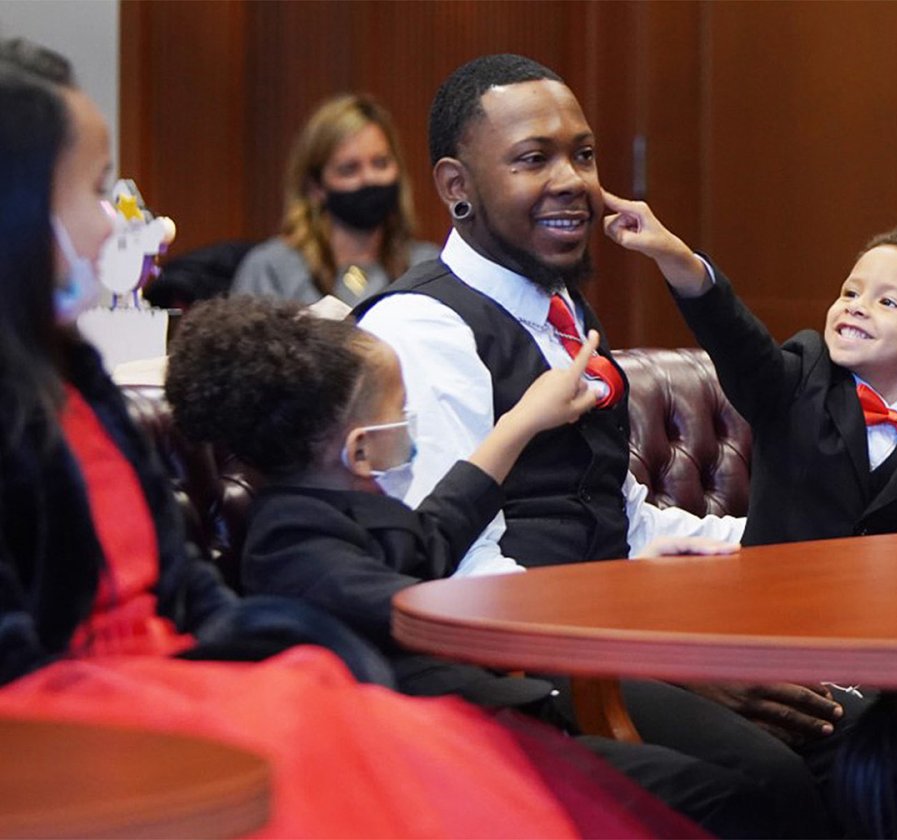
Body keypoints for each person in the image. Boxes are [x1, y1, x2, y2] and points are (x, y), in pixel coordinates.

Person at [0, 39, 702, 839]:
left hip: (173, 674)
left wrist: (272, 657)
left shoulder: (76, 382)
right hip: (74, 720)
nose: (115, 223)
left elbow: (185, 587)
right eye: (96, 189)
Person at [355, 53, 863, 836]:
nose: (573, 182)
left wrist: (775, 547)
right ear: (457, 186)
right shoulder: (421, 328)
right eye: (533, 159)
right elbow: (457, 568)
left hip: (606, 633)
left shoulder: (558, 307)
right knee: (772, 779)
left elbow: (619, 514)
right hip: (523, 669)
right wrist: (667, 660)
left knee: (865, 724)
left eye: (584, 155)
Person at [164, 296, 770, 835]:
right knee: (732, 800)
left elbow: (435, 533)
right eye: (403, 411)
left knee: (743, 789)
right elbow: (423, 610)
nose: (412, 425)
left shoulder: (337, 509)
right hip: (432, 755)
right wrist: (621, 595)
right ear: (360, 449)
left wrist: (520, 424)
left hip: (485, 723)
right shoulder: (290, 542)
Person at [605, 197, 897, 545]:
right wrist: (677, 259)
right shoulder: (801, 379)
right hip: (775, 594)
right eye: (850, 292)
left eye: (887, 302)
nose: (856, 307)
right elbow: (734, 336)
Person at [232, 93, 438, 305]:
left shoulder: (428, 267)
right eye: (349, 169)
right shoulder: (272, 268)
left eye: (380, 163)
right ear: (315, 186)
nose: (369, 178)